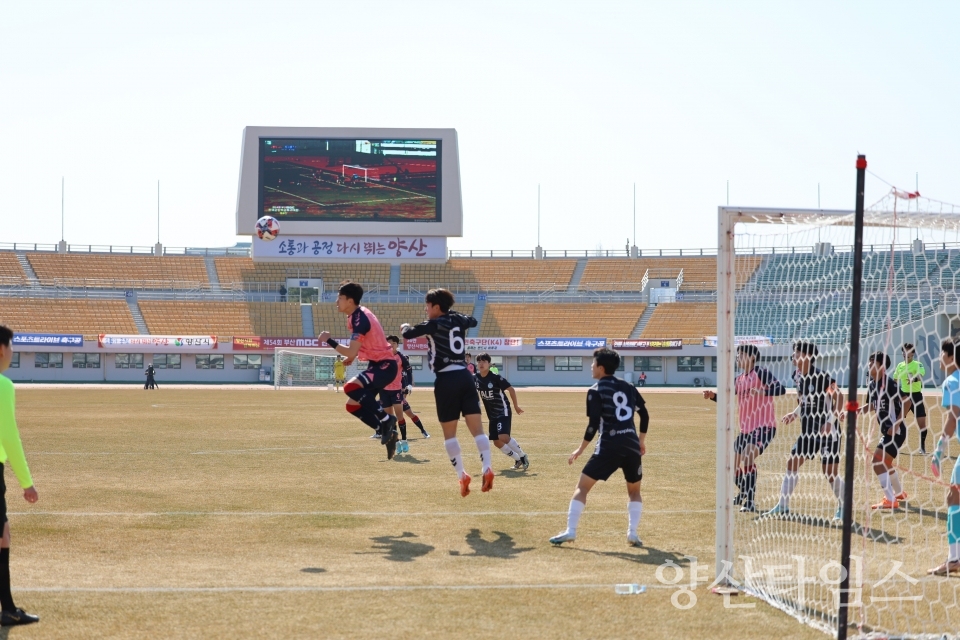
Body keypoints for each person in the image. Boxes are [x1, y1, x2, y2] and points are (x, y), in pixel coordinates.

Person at [550, 348, 649, 547]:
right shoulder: (629, 387)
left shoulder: (595, 390)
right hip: (630, 445)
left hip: (609, 445)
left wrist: (580, 449)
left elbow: (593, 425)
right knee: (634, 491)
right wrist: (641, 441)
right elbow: (644, 414)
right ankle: (632, 533)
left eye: (593, 364)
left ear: (601, 368)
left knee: (582, 487)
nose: (591, 366)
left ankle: (571, 530)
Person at [401, 289, 492, 497]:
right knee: (478, 430)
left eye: (427, 305)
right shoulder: (458, 319)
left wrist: (405, 326)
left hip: (446, 379)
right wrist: (453, 313)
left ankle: (462, 474)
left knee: (450, 434)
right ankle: (487, 466)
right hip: (466, 377)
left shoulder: (433, 324)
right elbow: (473, 321)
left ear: (435, 306)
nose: (426, 309)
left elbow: (407, 334)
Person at [764, 341, 845, 521]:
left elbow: (838, 396)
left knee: (829, 473)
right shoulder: (797, 375)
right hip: (808, 431)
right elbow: (805, 400)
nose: (793, 356)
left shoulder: (822, 377)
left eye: (797, 352)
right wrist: (794, 413)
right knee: (792, 462)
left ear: (807, 356)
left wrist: (831, 421)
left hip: (827, 433)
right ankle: (782, 506)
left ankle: (843, 506)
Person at [318, 282, 399, 459]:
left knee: (350, 387)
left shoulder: (359, 319)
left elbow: (350, 350)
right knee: (352, 405)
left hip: (385, 366)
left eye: (340, 298)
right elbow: (361, 346)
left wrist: (329, 340)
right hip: (377, 365)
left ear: (350, 300)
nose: (336, 301)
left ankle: (387, 420)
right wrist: (353, 356)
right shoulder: (357, 315)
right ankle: (386, 431)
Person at [702, 344, 785, 512]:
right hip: (746, 430)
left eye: (740, 355)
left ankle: (750, 501)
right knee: (730, 464)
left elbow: (781, 389)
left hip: (764, 427)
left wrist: (762, 392)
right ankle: (744, 492)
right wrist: (712, 396)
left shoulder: (761, 373)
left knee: (748, 455)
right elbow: (726, 398)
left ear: (752, 357)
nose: (738, 358)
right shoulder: (738, 379)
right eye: (737, 355)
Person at [0, 326, 40, 626]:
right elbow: (10, 437)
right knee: (3, 537)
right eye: (11, 347)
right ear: (2, 350)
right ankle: (9, 610)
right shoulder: (3, 386)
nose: (12, 352)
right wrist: (26, 482)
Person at [930, 338, 960, 576]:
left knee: (953, 498)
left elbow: (953, 419)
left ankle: (954, 558)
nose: (940, 357)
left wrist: (938, 452)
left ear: (952, 357)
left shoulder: (951, 381)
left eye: (942, 353)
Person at [863, 351, 907, 510]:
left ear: (882, 366)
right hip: (887, 431)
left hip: (896, 431)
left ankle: (890, 500)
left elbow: (907, 401)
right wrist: (857, 410)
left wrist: (897, 423)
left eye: (872, 362)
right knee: (885, 462)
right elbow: (874, 404)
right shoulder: (872, 384)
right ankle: (899, 493)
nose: (869, 365)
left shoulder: (888, 383)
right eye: (869, 361)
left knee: (877, 462)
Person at [474, 353, 529, 471]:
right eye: (479, 361)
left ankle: (523, 455)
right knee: (497, 442)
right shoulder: (476, 378)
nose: (481, 364)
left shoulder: (495, 377)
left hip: (503, 411)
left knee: (503, 436)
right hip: (492, 415)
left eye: (484, 361)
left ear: (489, 364)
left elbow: (511, 389)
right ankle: (517, 459)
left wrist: (516, 406)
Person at [386, 336, 429, 440]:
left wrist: (404, 392)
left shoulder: (403, 375)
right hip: (387, 393)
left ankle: (423, 431)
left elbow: (405, 388)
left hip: (398, 396)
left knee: (410, 414)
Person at [894, 343, 928, 454]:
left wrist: (913, 379)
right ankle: (894, 445)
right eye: (903, 351)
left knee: (922, 423)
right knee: (897, 421)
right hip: (904, 396)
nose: (905, 353)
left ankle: (922, 447)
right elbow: (895, 381)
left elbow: (921, 375)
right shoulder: (899, 366)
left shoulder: (918, 364)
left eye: (908, 351)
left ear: (913, 353)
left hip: (916, 396)